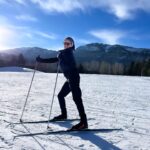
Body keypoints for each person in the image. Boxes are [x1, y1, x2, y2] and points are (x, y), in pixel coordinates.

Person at [36, 37, 88, 130]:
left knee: (77, 98)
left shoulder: (69, 53)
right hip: (69, 79)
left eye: (68, 43)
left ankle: (84, 122)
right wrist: (41, 60)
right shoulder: (63, 54)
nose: (66, 45)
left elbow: (70, 63)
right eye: (65, 43)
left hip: (74, 77)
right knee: (60, 95)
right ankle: (64, 115)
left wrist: (61, 56)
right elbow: (53, 59)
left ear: (72, 45)